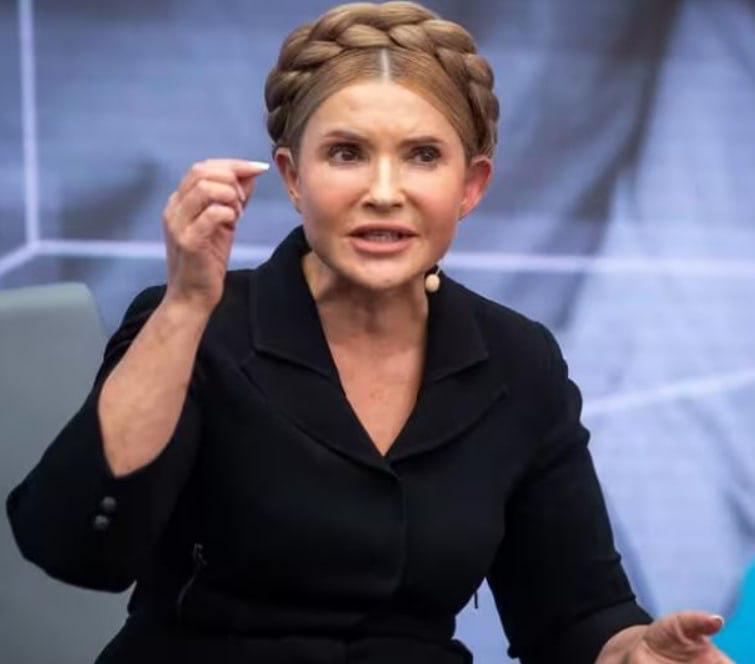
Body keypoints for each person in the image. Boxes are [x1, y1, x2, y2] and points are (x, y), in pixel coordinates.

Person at [5, 2, 732, 662]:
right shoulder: (195, 322)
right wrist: (188, 305)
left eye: (423, 156)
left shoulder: (519, 360)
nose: (384, 192)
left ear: (471, 185)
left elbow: (576, 616)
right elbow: (76, 547)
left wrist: (634, 652)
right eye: (346, 153)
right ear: (292, 177)